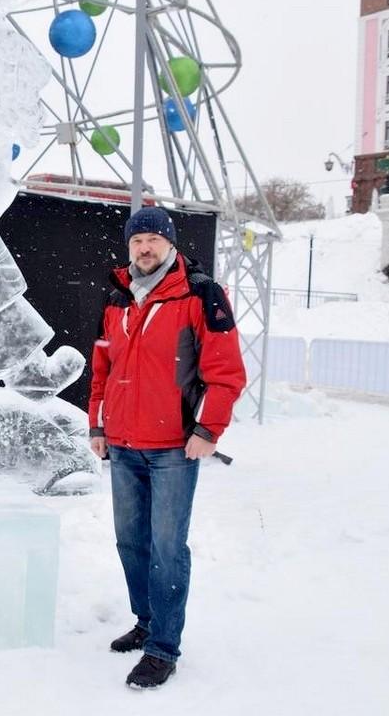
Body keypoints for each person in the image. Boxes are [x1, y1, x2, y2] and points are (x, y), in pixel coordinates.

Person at [87, 206, 245, 689]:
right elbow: (103, 369)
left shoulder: (200, 294)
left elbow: (227, 372)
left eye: (154, 239)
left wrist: (207, 430)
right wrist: (98, 425)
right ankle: (147, 621)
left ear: (170, 244)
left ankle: (163, 648)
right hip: (123, 443)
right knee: (130, 541)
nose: (145, 248)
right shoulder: (117, 298)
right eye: (137, 241)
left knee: (167, 548)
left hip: (174, 446)